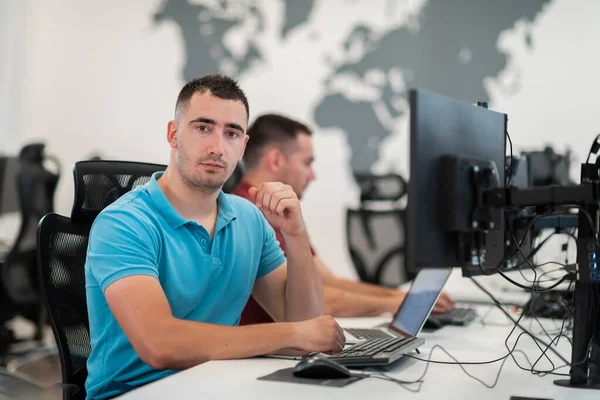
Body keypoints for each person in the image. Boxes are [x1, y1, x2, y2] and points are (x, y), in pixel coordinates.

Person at [84, 76, 345, 400]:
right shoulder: (124, 223)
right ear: (174, 134)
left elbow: (306, 323)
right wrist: (293, 334)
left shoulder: (249, 219)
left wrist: (296, 233)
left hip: (220, 387)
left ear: (243, 146)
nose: (217, 148)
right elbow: (160, 345)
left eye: (231, 133)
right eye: (203, 127)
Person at [232, 113, 454, 324]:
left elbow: (327, 282)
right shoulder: (248, 214)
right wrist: (397, 302)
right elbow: (315, 302)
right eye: (307, 163)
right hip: (256, 359)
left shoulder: (277, 213)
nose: (313, 175)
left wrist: (402, 296)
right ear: (276, 160)